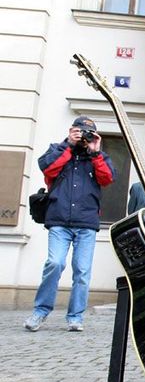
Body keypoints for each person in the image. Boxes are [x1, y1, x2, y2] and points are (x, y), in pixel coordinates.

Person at [23, 116, 116, 332]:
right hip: (59, 220)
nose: (84, 136)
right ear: (71, 131)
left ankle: (75, 317)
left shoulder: (97, 157)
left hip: (86, 222)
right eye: (80, 132)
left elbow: (108, 178)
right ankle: (40, 311)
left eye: (88, 133)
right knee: (54, 263)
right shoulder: (58, 150)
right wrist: (69, 144)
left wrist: (95, 152)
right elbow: (46, 168)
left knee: (82, 271)